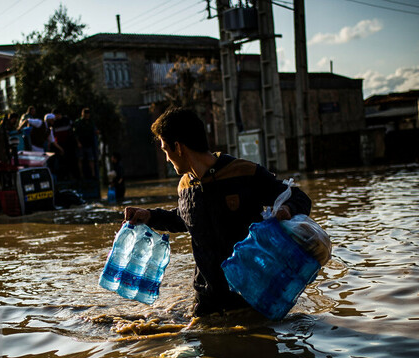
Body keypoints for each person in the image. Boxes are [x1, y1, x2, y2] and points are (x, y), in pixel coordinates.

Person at [124, 107, 312, 318]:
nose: (166, 158)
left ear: (178, 147)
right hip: (206, 301)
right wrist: (149, 216)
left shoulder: (244, 172)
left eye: (165, 149)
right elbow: (185, 218)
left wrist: (287, 209)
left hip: (251, 298)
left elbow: (299, 197)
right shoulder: (185, 186)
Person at [73, 108, 99, 178]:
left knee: (91, 159)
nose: (87, 116)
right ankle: (81, 175)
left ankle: (93, 174)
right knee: (80, 159)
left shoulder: (91, 122)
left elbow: (94, 130)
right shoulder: (78, 122)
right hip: (81, 143)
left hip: (89, 143)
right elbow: (75, 134)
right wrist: (78, 142)